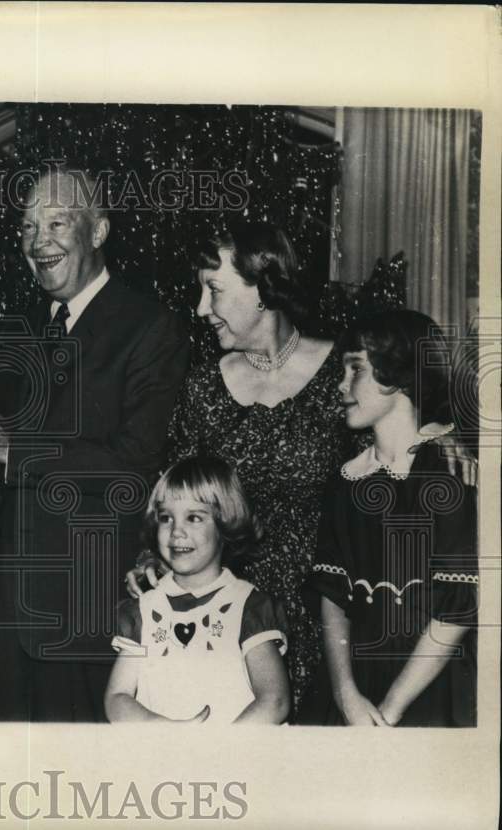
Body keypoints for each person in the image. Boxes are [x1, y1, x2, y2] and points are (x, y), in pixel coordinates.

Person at [0, 166, 190, 721]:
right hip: (3, 614)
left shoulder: (149, 327)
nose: (37, 240)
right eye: (27, 226)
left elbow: (134, 465)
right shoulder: (13, 330)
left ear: (97, 232)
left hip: (86, 611)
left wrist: (14, 450)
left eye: (56, 222)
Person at [129, 222, 354, 714]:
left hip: (330, 621)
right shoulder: (203, 388)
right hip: (225, 627)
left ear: (263, 288)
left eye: (213, 291)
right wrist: (153, 557)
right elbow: (176, 499)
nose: (200, 309)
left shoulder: (343, 376)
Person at [301, 309, 477, 727]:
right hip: (354, 690)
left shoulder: (451, 470)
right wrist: (346, 696)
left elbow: (456, 608)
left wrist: (393, 706)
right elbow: (333, 596)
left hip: (430, 688)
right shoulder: (346, 480)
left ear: (397, 374)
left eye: (355, 369)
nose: (341, 386)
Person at [105, 456, 290, 724]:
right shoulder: (144, 609)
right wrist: (161, 730)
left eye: (193, 517)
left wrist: (217, 750)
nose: (176, 531)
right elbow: (117, 697)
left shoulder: (247, 605)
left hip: (235, 754)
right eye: (166, 517)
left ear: (225, 524)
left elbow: (275, 700)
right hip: (163, 754)